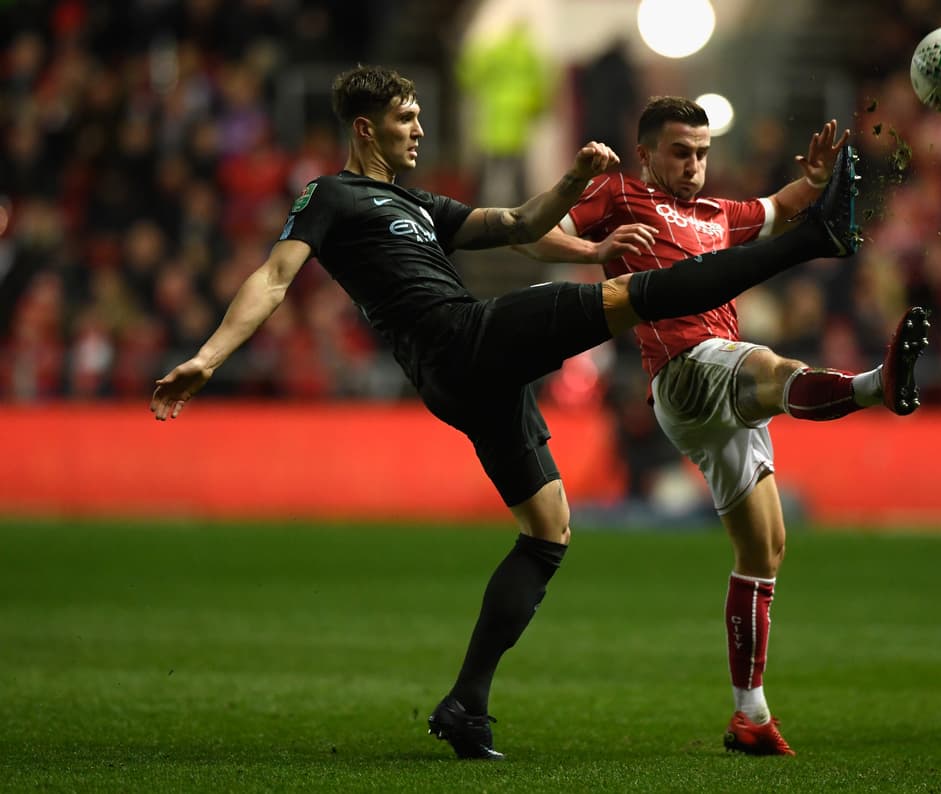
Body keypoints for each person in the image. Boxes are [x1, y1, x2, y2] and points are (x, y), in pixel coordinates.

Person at [149, 66, 863, 760]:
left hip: (471, 382)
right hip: (462, 339)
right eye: (406, 119)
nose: (420, 129)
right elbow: (275, 276)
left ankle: (465, 703)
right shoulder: (330, 197)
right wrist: (209, 358)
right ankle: (812, 242)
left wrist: (577, 195)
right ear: (366, 129)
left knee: (548, 530)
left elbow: (521, 222)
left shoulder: (421, 205)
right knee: (640, 296)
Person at [515, 96, 930, 756]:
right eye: (680, 152)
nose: (694, 166)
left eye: (703, 153)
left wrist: (817, 179)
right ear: (646, 152)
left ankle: (750, 715)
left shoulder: (715, 215)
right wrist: (593, 246)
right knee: (768, 364)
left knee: (765, 549)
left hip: (717, 400)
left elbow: (779, 207)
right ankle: (877, 385)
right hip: (684, 366)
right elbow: (530, 232)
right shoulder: (617, 192)